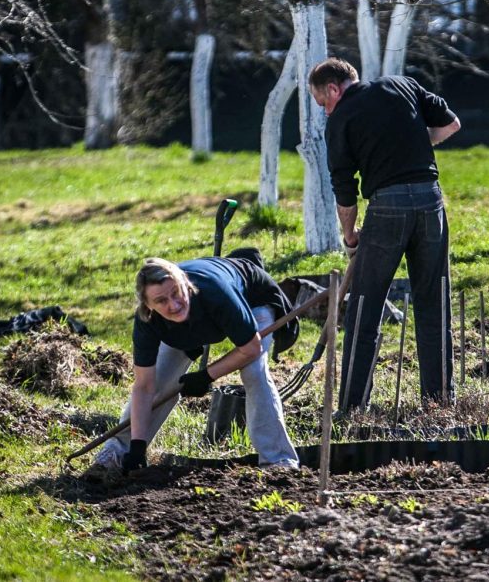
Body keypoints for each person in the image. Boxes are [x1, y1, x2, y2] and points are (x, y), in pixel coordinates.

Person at [308, 58, 462, 411]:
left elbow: (344, 190)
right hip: (430, 202)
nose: (325, 111)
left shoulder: (340, 120)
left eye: (323, 104)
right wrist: (412, 145)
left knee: (365, 306)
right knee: (433, 302)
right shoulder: (403, 85)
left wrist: (349, 236)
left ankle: (351, 405)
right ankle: (439, 401)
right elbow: (451, 124)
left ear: (333, 89)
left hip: (386, 208)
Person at [89, 256, 299, 476]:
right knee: (160, 380)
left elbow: (251, 348)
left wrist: (207, 375)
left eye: (176, 292)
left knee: (254, 371)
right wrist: (138, 446)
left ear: (185, 283)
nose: (173, 304)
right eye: (161, 301)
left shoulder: (215, 291)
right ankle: (119, 452)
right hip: (187, 328)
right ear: (148, 306)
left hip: (252, 299)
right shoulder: (147, 321)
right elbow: (144, 386)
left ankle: (278, 460)